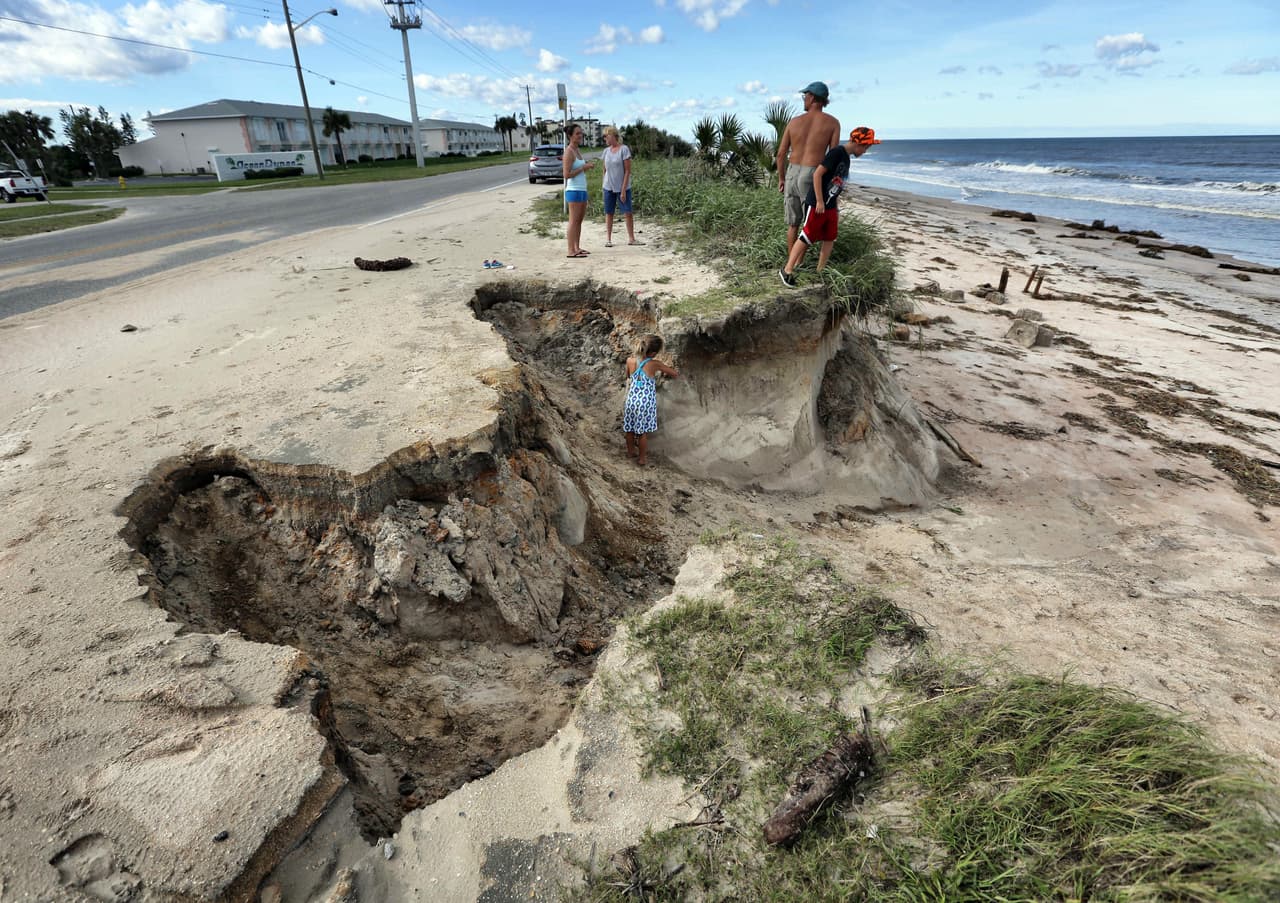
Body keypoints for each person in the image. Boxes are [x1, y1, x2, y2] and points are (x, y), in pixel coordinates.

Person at [779, 127, 880, 288]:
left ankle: (820, 271)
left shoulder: (846, 158)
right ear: (857, 143)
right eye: (866, 147)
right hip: (818, 203)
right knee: (807, 235)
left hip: (831, 204)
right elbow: (817, 174)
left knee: (830, 236)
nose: (866, 151)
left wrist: (835, 204)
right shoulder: (836, 153)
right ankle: (787, 269)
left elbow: (836, 182)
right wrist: (819, 201)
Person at [775, 81, 841, 252]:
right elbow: (832, 158)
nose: (804, 99)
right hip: (812, 174)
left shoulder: (794, 122)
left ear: (812, 98)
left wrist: (781, 178)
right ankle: (799, 263)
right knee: (809, 225)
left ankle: (791, 262)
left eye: (805, 96)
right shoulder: (833, 123)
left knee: (792, 224)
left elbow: (781, 154)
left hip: (792, 172)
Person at [623, 334, 679, 466]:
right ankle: (642, 459)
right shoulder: (654, 364)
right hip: (645, 404)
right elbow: (674, 374)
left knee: (629, 429)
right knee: (642, 433)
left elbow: (628, 376)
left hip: (631, 400)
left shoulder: (630, 360)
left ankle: (630, 452)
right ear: (653, 353)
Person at [601, 126, 643, 247]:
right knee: (609, 212)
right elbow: (604, 170)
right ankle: (608, 239)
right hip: (608, 186)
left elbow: (627, 171)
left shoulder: (624, 150)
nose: (605, 138)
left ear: (613, 136)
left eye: (606, 136)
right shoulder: (606, 151)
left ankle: (631, 238)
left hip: (622, 186)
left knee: (627, 211)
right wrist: (603, 184)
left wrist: (623, 190)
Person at [562, 123, 597, 258]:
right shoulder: (569, 152)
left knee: (579, 221)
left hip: (582, 189)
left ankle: (577, 247)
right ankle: (571, 250)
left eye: (581, 133)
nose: (580, 135)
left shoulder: (577, 150)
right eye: (577, 133)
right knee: (573, 220)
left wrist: (586, 165)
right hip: (574, 190)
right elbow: (566, 174)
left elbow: (579, 167)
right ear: (570, 136)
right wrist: (583, 168)